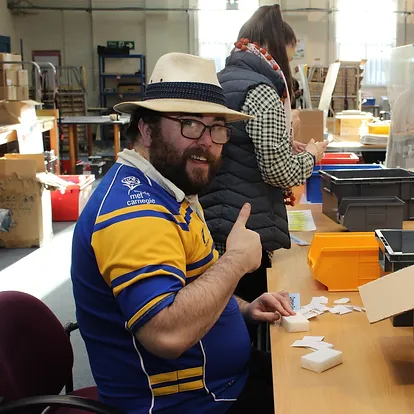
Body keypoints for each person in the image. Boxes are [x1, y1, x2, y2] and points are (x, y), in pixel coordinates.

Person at [71, 52, 295, 414]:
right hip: (187, 404)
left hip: (218, 385)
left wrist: (243, 308)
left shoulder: (169, 190)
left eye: (217, 128)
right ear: (146, 128)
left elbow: (189, 285)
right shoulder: (136, 212)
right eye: (190, 124)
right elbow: (165, 333)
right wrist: (236, 261)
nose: (206, 141)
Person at [200, 5, 328, 306]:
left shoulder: (221, 79)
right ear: (274, 47)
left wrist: (285, 144)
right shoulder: (262, 90)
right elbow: (279, 172)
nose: (290, 62)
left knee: (223, 308)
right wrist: (311, 154)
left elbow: (239, 147)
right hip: (246, 225)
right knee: (251, 313)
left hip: (214, 220)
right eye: (291, 54)